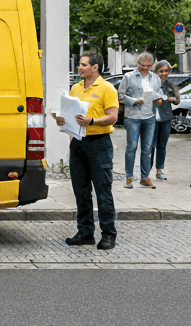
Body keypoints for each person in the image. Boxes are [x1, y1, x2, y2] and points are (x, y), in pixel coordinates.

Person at [55, 52, 119, 250]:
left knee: (103, 191)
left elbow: (113, 116)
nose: (79, 67)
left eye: (84, 65)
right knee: (81, 191)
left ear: (95, 67)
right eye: (80, 64)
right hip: (78, 143)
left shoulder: (107, 88)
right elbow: (71, 114)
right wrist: (63, 120)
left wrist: (92, 121)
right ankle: (85, 232)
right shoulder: (75, 88)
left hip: (99, 144)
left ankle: (108, 235)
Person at [118, 53, 165, 189]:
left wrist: (159, 99)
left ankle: (144, 177)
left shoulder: (155, 78)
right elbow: (120, 95)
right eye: (143, 66)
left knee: (147, 148)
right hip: (132, 117)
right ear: (138, 64)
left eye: (148, 66)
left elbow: (159, 92)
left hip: (149, 116)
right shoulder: (128, 77)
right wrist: (134, 101)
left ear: (152, 65)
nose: (145, 68)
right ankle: (129, 177)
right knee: (132, 147)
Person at [151, 60, 180, 180]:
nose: (164, 73)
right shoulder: (151, 85)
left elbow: (178, 101)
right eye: (161, 71)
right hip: (151, 119)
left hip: (166, 118)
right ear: (156, 72)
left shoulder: (171, 85)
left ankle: (159, 170)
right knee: (150, 146)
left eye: (166, 71)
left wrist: (173, 99)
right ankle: (145, 172)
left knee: (162, 146)